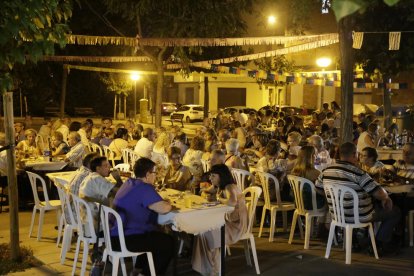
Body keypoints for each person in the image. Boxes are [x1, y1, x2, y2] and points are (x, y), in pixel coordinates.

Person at [315, 142, 401, 255]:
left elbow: (318, 188)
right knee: (395, 212)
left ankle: (355, 241)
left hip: (337, 215)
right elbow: (379, 193)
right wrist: (386, 198)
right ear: (354, 154)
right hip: (360, 216)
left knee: (359, 206)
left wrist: (337, 197)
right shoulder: (358, 173)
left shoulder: (326, 171)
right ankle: (379, 244)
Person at [111, 158, 174, 275]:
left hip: (114, 236)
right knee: (167, 242)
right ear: (147, 174)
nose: (156, 176)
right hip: (126, 239)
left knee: (152, 234)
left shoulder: (128, 183)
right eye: (155, 173)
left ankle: (138, 270)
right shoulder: (144, 188)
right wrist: (168, 203)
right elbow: (165, 209)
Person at [195, 164, 247, 275]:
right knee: (202, 231)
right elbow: (205, 191)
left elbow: (232, 202)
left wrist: (218, 199)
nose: (210, 178)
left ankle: (213, 270)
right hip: (227, 221)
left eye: (213, 176)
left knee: (207, 233)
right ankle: (209, 268)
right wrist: (207, 193)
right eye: (210, 176)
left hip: (235, 227)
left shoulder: (229, 187)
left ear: (221, 176)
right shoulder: (219, 186)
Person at [79, 156, 123, 231]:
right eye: (106, 166)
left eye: (109, 165)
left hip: (87, 220)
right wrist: (118, 179)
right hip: (96, 225)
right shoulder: (97, 179)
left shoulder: (91, 177)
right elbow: (120, 193)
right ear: (98, 168)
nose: (109, 167)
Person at [291, 146, 325, 210]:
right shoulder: (315, 173)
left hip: (297, 203)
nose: (316, 156)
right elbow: (321, 188)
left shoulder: (294, 171)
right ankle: (320, 220)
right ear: (311, 157)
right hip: (311, 204)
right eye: (315, 154)